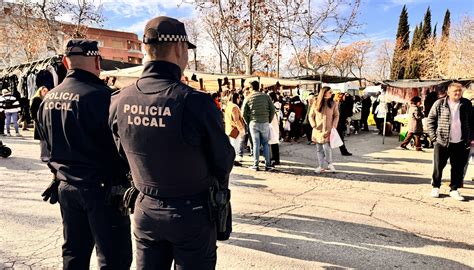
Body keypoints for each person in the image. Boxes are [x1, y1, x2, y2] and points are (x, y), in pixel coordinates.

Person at [109, 16, 235, 269]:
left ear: (145, 49)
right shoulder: (195, 102)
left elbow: (121, 153)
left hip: (145, 208)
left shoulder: (119, 100)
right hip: (191, 212)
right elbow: (223, 160)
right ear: (179, 48)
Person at [36, 39, 132, 269]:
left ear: (65, 62)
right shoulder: (107, 98)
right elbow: (123, 149)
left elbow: (45, 151)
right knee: (113, 258)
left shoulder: (47, 99)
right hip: (103, 191)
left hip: (66, 188)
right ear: (98, 61)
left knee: (74, 253)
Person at [427, 82, 472, 201]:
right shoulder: (440, 103)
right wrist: (433, 138)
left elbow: (472, 122)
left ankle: (454, 189)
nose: (458, 93)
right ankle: (436, 186)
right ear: (448, 92)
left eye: (459, 91)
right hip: (442, 141)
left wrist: (470, 138)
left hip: (461, 142)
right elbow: (431, 119)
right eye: (455, 91)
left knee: (457, 167)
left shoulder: (466, 104)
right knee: (438, 165)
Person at [242, 80, 275, 171]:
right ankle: (267, 165)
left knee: (256, 144)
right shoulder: (266, 96)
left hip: (253, 123)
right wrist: (268, 120)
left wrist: (248, 122)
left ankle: (255, 165)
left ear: (251, 88)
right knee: (265, 143)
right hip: (265, 122)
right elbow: (272, 110)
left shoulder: (248, 98)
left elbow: (243, 113)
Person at [308, 87, 339, 173]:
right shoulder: (316, 103)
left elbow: (336, 115)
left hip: (329, 129)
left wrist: (334, 125)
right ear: (324, 93)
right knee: (319, 149)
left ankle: (330, 164)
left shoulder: (333, 103)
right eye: (330, 92)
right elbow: (310, 115)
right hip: (317, 130)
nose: (331, 93)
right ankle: (321, 166)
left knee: (326, 148)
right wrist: (313, 125)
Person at [225, 92, 246, 166]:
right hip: (235, 129)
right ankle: (233, 160)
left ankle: (232, 160)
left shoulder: (228, 106)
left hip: (229, 128)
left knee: (232, 145)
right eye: (239, 98)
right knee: (235, 146)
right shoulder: (234, 107)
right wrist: (241, 129)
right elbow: (236, 119)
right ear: (237, 98)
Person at [30, 86, 50, 161]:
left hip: (47, 121)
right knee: (43, 139)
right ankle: (44, 156)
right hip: (39, 121)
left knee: (48, 138)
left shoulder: (49, 99)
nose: (46, 92)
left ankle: (49, 155)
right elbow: (32, 110)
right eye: (44, 91)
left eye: (47, 91)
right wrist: (36, 119)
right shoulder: (36, 99)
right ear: (40, 91)